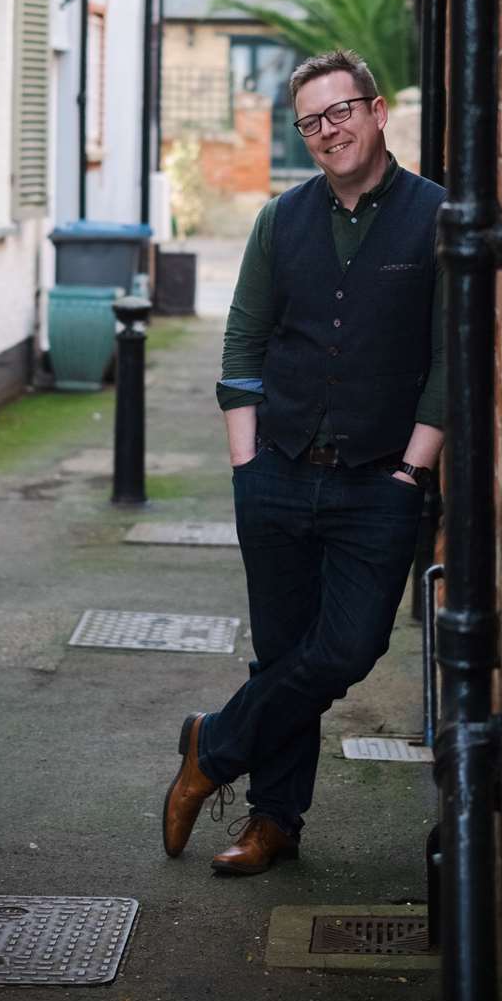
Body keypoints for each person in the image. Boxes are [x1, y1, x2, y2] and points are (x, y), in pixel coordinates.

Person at [162, 48, 445, 876]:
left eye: (342, 112)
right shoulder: (279, 220)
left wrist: (410, 472)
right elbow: (243, 343)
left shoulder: (433, 215)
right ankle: (273, 821)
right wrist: (247, 467)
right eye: (312, 121)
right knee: (282, 655)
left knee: (348, 650)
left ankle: (212, 745)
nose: (329, 132)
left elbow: (447, 365)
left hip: (380, 481)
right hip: (278, 472)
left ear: (378, 110)